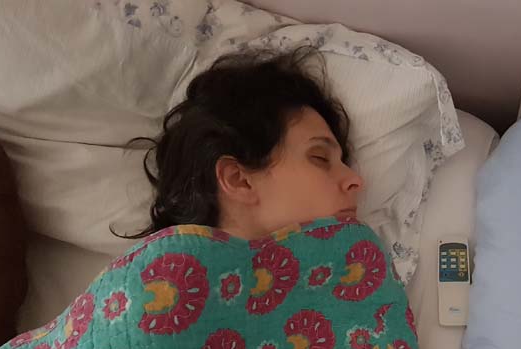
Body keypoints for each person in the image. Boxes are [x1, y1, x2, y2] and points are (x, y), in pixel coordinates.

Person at [125, 46, 363, 243]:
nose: (356, 180)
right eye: (320, 157)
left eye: (343, 162)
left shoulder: (365, 273)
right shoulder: (152, 282)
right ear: (238, 179)